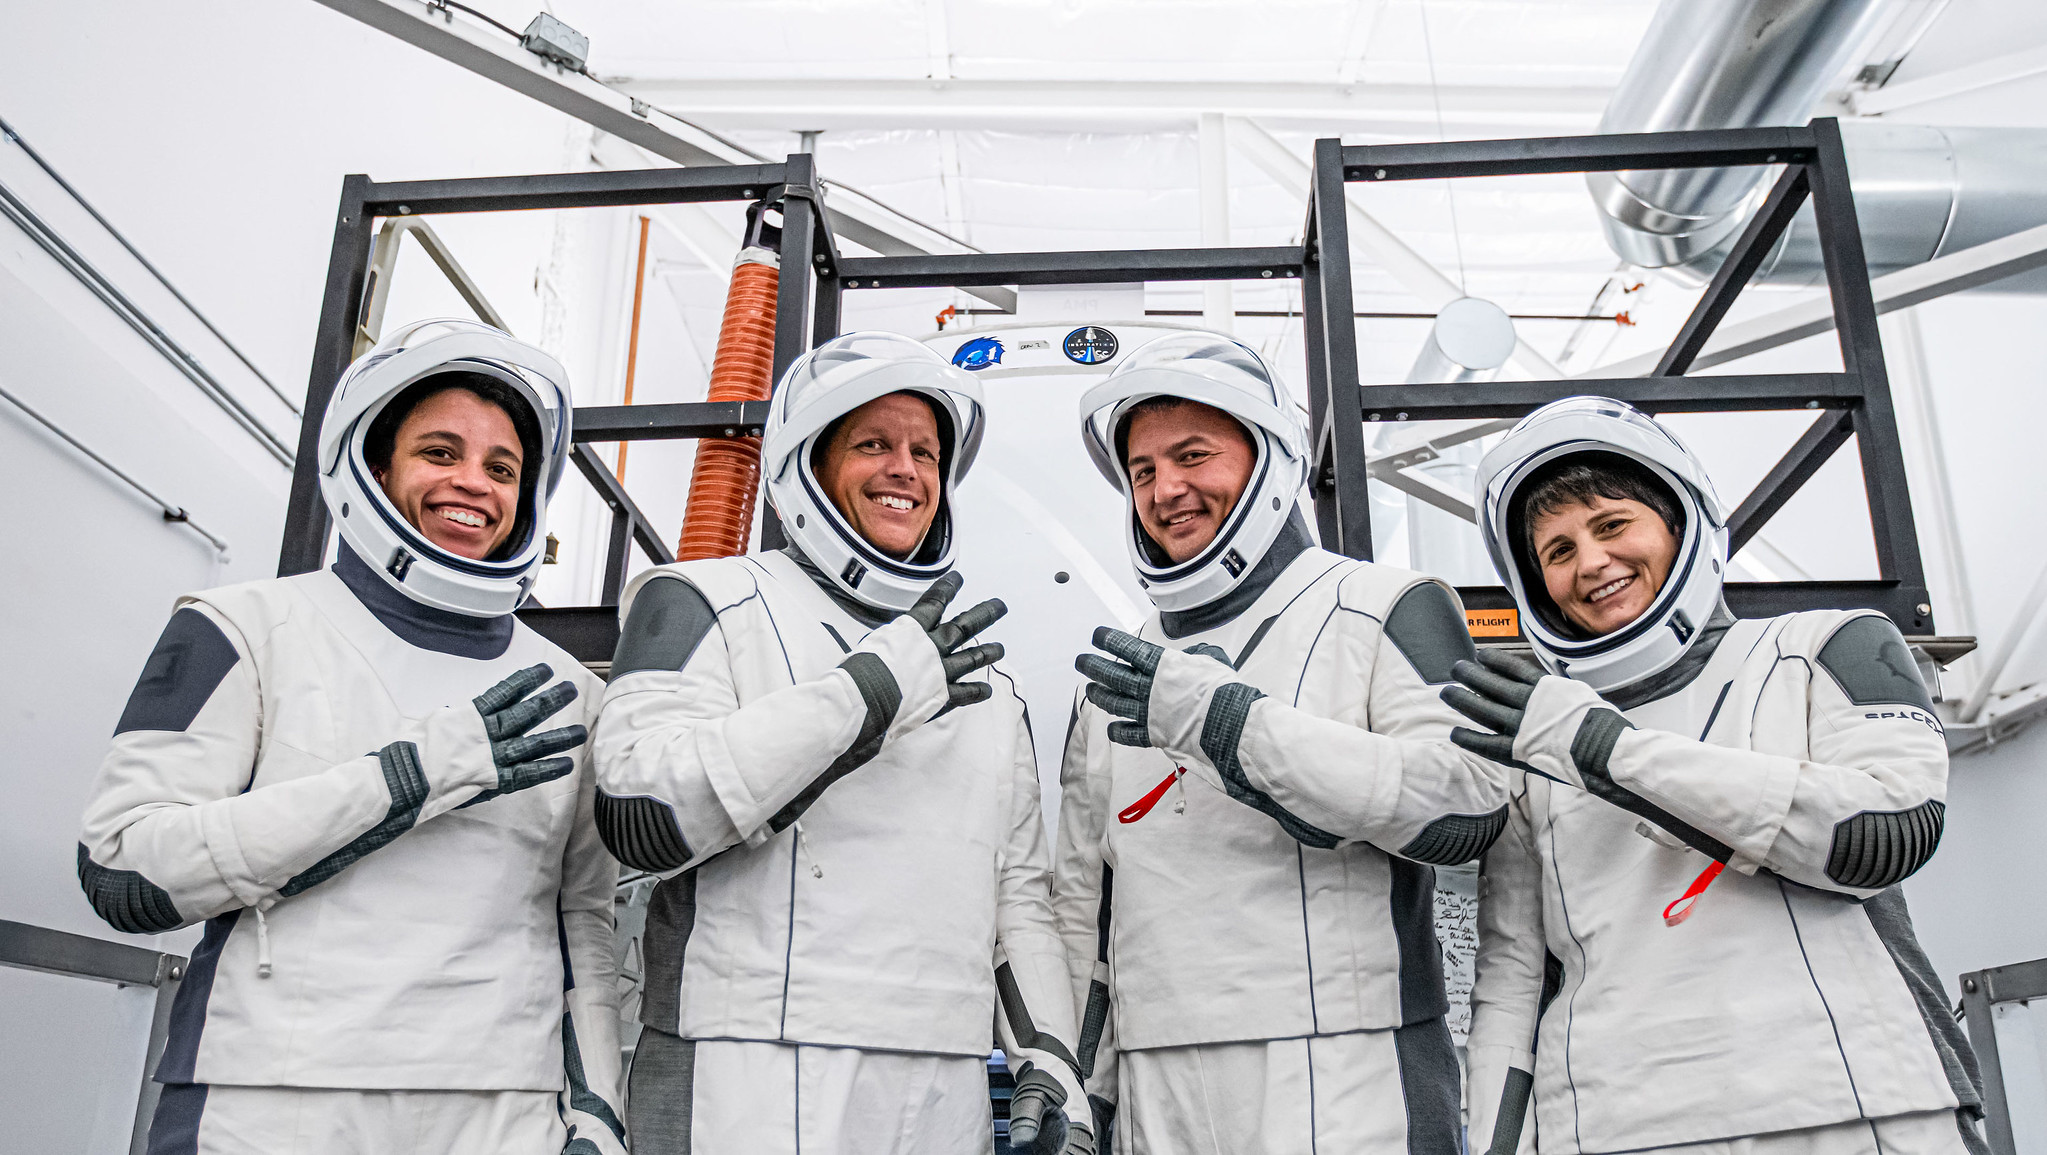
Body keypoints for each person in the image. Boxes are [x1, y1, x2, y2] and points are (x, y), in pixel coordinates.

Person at [77, 318, 625, 1155]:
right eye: (440, 453)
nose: (473, 483)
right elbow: (124, 870)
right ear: (375, 466)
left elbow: (580, 917)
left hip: (501, 1106)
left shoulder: (571, 691)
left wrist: (596, 1113)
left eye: (502, 468)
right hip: (271, 1095)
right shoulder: (246, 626)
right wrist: (410, 777)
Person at [590, 331, 1094, 1155]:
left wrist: (1048, 1052)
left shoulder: (986, 685)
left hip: (942, 1078)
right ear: (805, 469)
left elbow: (1015, 899)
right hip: (742, 1067)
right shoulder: (705, 600)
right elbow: (640, 808)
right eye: (873, 444)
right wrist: (864, 697)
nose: (906, 469)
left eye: (926, 453)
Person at [1450, 397, 1983, 1155]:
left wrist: (1603, 747)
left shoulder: (1827, 643)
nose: (1590, 562)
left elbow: (1886, 832)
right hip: (1614, 1124)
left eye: (1610, 525)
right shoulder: (1536, 731)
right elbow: (1513, 977)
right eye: (1557, 550)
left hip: (1854, 1105)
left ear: (1678, 520)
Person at [1060, 332, 1515, 1155]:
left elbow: (1467, 803)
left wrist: (1234, 726)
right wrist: (1075, 1081)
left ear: (1268, 457)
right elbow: (1084, 901)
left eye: (1192, 455)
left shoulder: (1383, 603)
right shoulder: (1122, 663)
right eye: (1142, 471)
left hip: (1346, 1067)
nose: (1166, 490)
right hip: (1157, 1075)